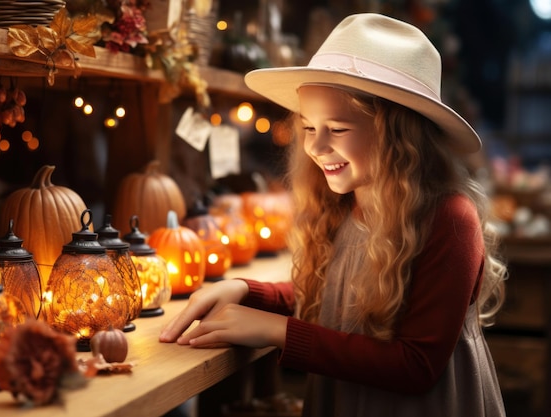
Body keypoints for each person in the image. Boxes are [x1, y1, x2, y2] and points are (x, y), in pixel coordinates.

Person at [160, 13, 507, 417]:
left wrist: (278, 332)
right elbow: (344, 301)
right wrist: (249, 292)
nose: (316, 146)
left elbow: (416, 366)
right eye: (308, 127)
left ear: (399, 135)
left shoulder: (449, 220)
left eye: (337, 130)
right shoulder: (344, 204)